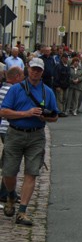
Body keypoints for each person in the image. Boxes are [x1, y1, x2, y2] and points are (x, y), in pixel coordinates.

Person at [0, 58, 59, 225]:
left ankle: (22, 211)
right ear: (27, 69)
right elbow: (3, 112)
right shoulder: (15, 90)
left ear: (42, 72)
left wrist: (45, 116)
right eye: (33, 69)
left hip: (36, 135)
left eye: (39, 70)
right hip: (15, 133)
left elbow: (55, 116)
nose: (35, 72)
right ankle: (11, 195)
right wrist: (26, 113)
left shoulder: (48, 92)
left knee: (31, 173)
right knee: (8, 172)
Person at [0, 67, 24, 207]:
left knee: (7, 160)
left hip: (4, 127)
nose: (23, 79)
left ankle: (5, 192)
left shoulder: (3, 89)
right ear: (15, 77)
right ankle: (6, 193)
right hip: (8, 127)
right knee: (9, 163)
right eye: (21, 76)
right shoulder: (12, 90)